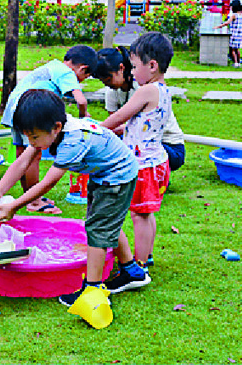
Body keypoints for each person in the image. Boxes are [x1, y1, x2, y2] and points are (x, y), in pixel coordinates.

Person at [0, 89, 144, 305]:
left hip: (117, 177)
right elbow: (21, 163)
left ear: (56, 128)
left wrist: (14, 206)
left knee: (98, 231)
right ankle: (132, 272)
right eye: (27, 136)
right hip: (104, 174)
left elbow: (48, 183)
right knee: (103, 223)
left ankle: (92, 291)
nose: (31, 142)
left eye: (34, 137)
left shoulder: (72, 141)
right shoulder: (49, 128)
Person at [98, 32, 174, 292]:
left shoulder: (147, 90)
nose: (132, 71)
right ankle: (146, 257)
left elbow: (120, 116)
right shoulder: (162, 90)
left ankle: (137, 266)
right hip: (156, 161)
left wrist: (96, 131)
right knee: (145, 212)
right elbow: (138, 125)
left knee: (139, 214)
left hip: (144, 164)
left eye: (134, 66)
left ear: (151, 66)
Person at [0, 45, 99, 215]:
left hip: (15, 107)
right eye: (85, 77)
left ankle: (29, 196)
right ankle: (35, 200)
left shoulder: (53, 66)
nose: (81, 81)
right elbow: (81, 100)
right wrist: (84, 115)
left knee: (22, 152)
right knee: (34, 153)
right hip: (30, 110)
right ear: (83, 68)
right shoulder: (67, 72)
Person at [93, 46, 185, 180]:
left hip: (166, 146)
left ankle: (151, 177)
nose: (106, 84)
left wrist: (94, 131)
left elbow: (120, 121)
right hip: (140, 141)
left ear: (121, 68)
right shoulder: (111, 92)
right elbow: (115, 126)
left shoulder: (144, 89)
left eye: (108, 79)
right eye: (102, 81)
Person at [215, 0, 242, 68]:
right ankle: (238, 62)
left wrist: (218, 26)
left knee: (232, 49)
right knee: (237, 49)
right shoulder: (241, 15)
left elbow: (227, 23)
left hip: (234, 34)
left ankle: (235, 63)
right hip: (239, 34)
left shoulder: (233, 15)